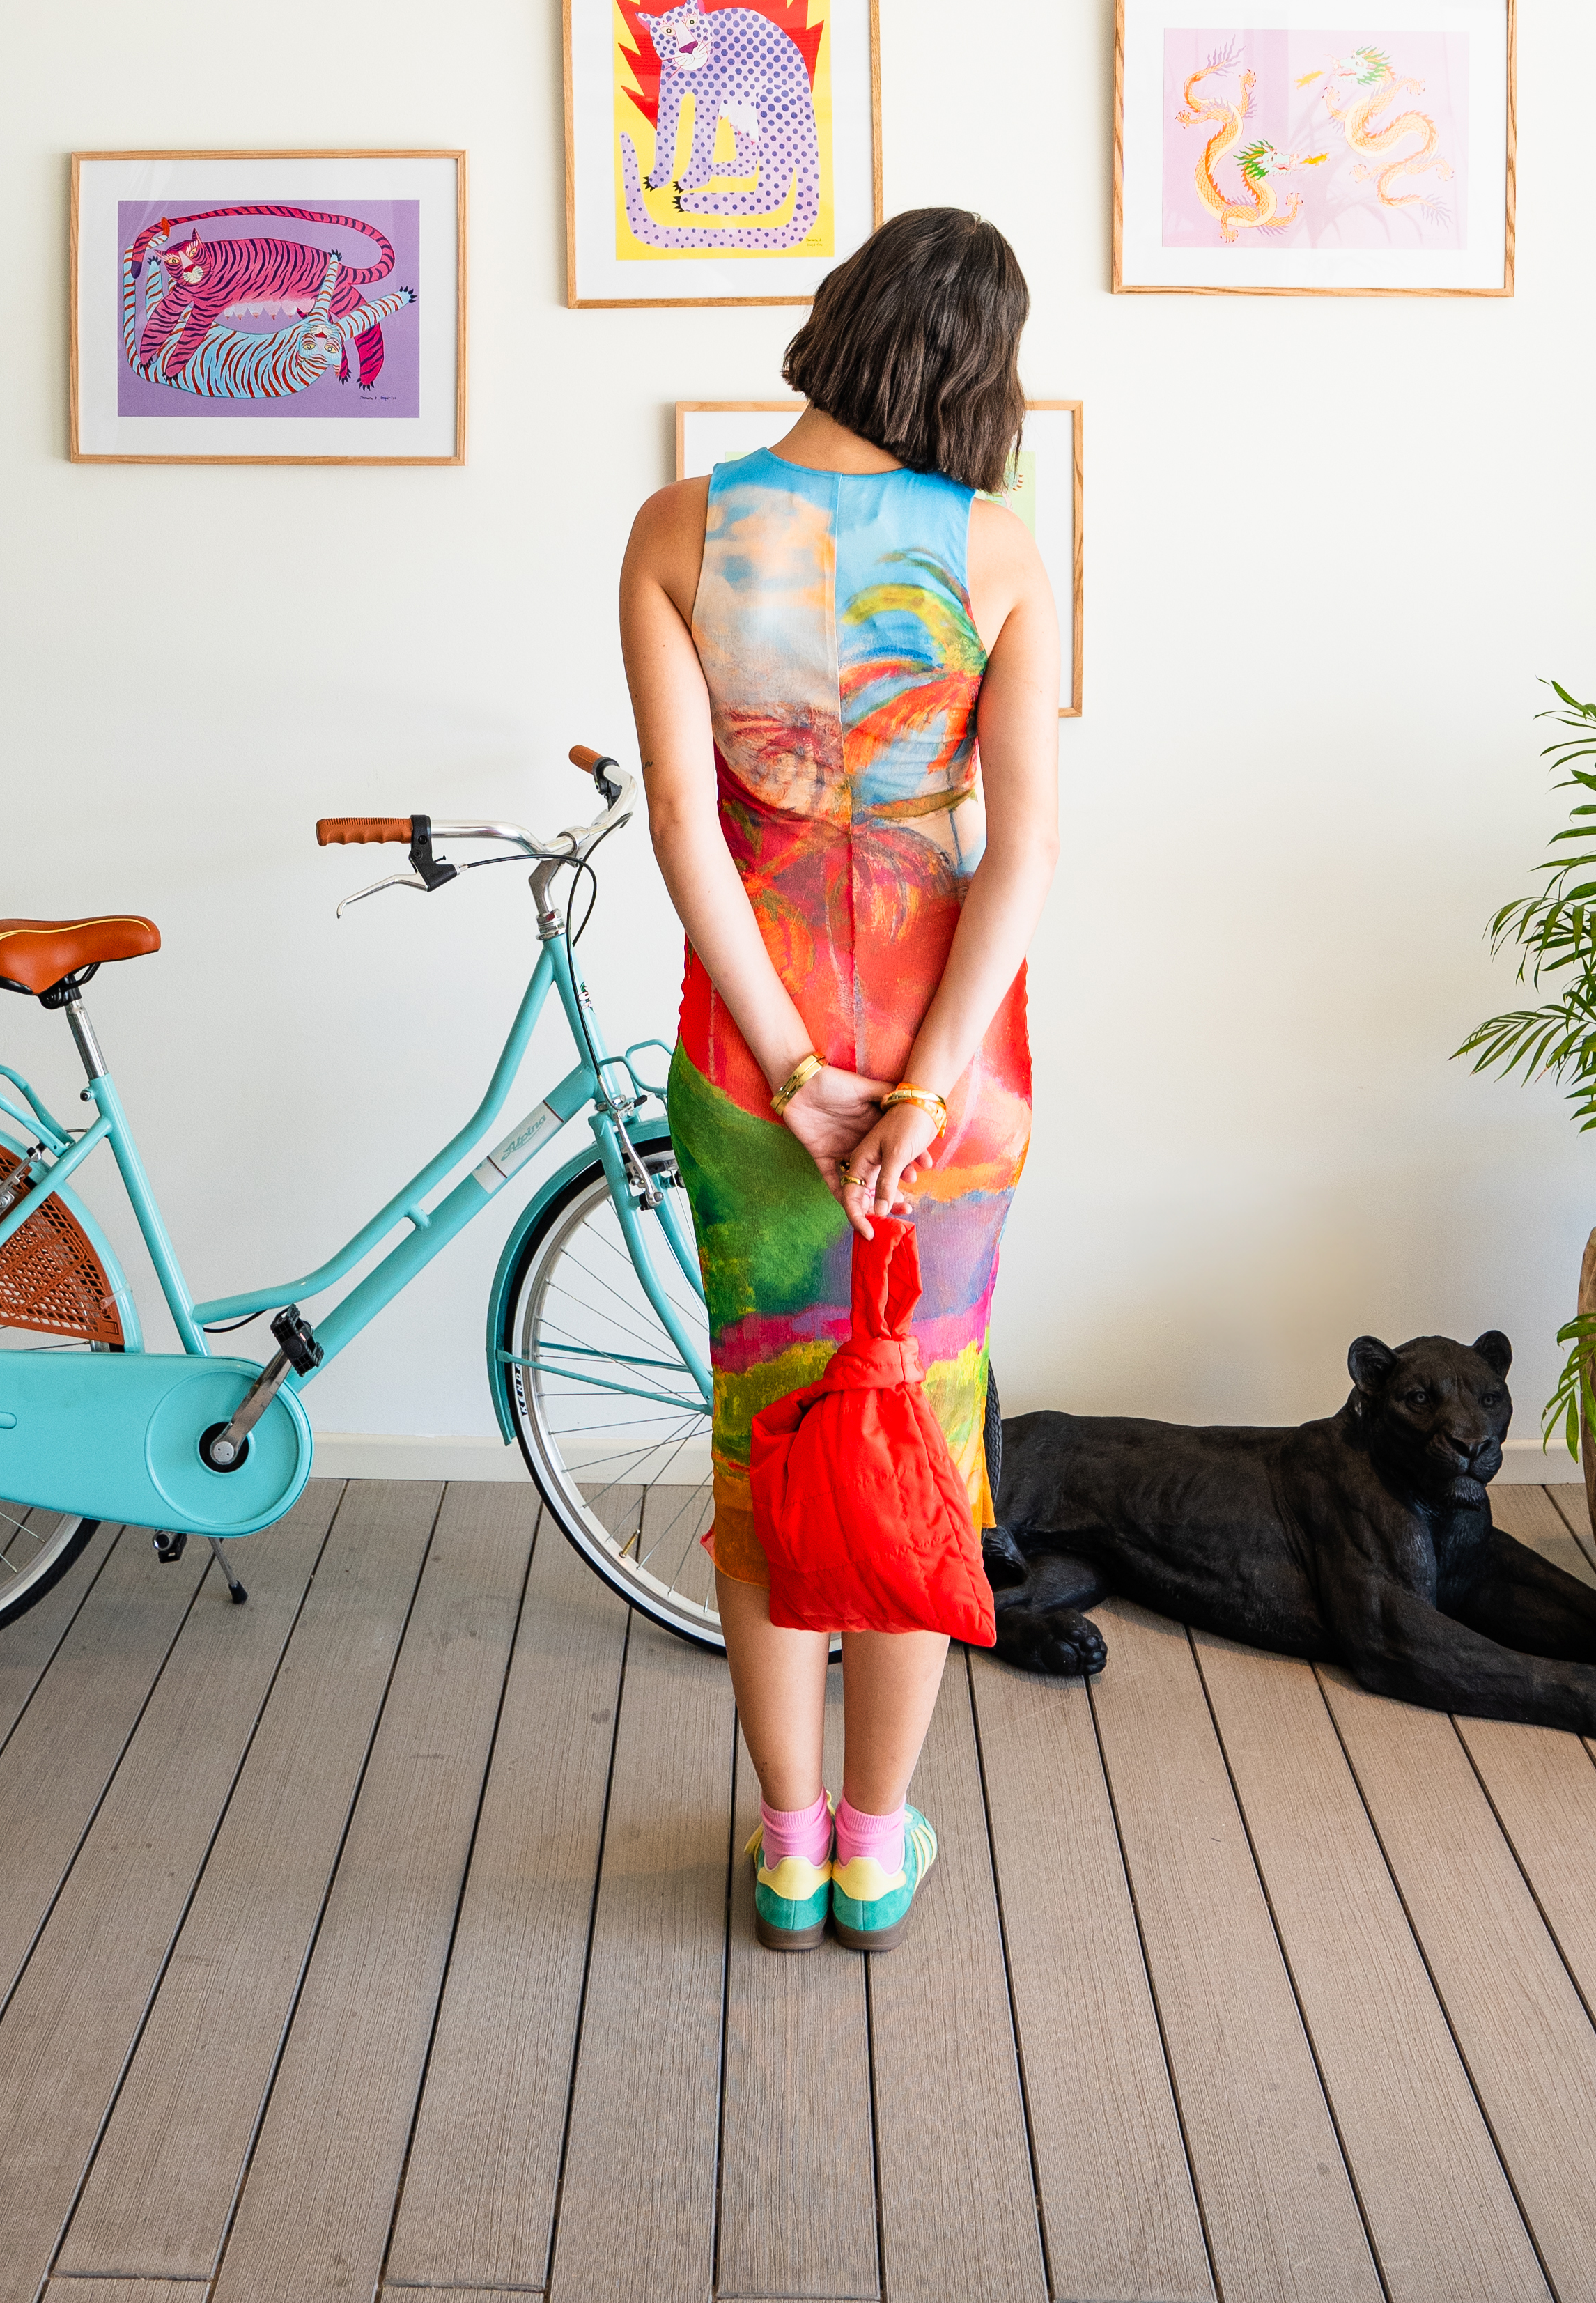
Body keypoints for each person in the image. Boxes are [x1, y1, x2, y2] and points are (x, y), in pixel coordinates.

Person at [618, 204, 1060, 1950]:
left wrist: (796, 1070)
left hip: (750, 1054)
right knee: (914, 1426)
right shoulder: (995, 551)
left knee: (771, 1425)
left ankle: (787, 1842)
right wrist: (920, 1089)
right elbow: (1021, 853)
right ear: (975, 369)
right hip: (950, 1053)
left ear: (839, 316)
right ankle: (877, 1846)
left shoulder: (675, 527)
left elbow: (681, 825)